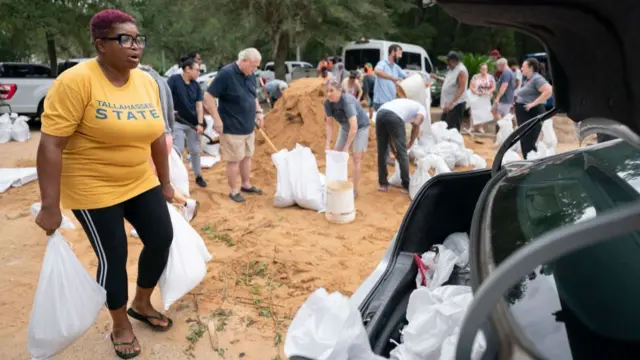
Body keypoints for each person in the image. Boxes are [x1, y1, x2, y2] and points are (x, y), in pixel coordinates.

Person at [35, 9, 173, 359]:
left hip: (139, 180)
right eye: (124, 39)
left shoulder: (146, 82)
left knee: (161, 238)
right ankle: (120, 324)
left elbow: (157, 135)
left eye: (138, 39)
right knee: (113, 255)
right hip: (93, 186)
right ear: (100, 45)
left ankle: (141, 303)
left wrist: (165, 182)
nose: (135, 47)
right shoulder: (76, 82)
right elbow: (51, 143)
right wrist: (50, 205)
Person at [139, 64, 199, 221]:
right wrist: (169, 133)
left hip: (152, 138)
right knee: (157, 181)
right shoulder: (159, 79)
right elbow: (170, 112)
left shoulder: (139, 81)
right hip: (165, 136)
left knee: (149, 184)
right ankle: (182, 205)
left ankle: (179, 206)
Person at [204, 48, 264, 203]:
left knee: (247, 157)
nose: (254, 70)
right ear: (243, 61)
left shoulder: (250, 75)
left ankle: (246, 184)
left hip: (248, 126)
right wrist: (217, 120)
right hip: (232, 127)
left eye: (256, 67)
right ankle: (234, 190)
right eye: (253, 66)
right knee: (234, 160)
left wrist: (258, 112)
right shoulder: (226, 74)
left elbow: (253, 95)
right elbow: (208, 97)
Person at [324, 79, 370, 198]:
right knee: (337, 154)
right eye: (327, 91)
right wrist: (327, 143)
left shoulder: (347, 102)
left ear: (339, 90)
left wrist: (347, 147)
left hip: (361, 127)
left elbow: (354, 127)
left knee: (356, 158)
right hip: (345, 127)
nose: (329, 94)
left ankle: (354, 190)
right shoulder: (327, 103)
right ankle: (336, 183)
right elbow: (329, 124)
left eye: (331, 91)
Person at [167, 56, 207, 188]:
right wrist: (170, 110)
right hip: (177, 121)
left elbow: (199, 105)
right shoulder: (174, 80)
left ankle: (198, 175)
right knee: (178, 149)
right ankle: (176, 178)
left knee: (195, 150)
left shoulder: (196, 86)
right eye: (197, 70)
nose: (199, 73)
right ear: (187, 69)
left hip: (192, 123)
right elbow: (165, 96)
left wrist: (200, 123)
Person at [375, 98, 427, 194]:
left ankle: (383, 184)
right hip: (394, 116)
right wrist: (411, 142)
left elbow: (390, 136)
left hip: (380, 113)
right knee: (403, 153)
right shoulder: (422, 109)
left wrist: (394, 151)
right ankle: (406, 185)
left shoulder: (405, 106)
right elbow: (416, 124)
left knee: (381, 151)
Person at [374, 44, 406, 164]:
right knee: (387, 131)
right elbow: (377, 71)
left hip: (390, 103)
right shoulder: (383, 63)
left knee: (389, 130)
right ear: (392, 52)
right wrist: (393, 78)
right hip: (381, 102)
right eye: (399, 52)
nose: (400, 55)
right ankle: (386, 157)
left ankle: (388, 156)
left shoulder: (396, 67)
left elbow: (405, 77)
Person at [514, 57, 553, 158]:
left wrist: (533, 103)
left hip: (532, 113)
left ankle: (532, 164)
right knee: (525, 141)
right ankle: (529, 163)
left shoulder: (537, 78)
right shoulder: (528, 79)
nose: (521, 68)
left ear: (530, 68)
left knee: (529, 142)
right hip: (524, 113)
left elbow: (549, 91)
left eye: (523, 66)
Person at [431, 51, 468, 130]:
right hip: (449, 104)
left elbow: (461, 89)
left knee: (452, 127)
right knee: (444, 125)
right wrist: (437, 78)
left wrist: (451, 102)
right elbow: (449, 82)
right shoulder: (452, 69)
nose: (447, 63)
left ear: (453, 61)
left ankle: (453, 141)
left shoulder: (461, 71)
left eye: (448, 61)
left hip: (456, 104)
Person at [468, 62, 496, 133]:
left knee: (483, 112)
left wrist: (489, 92)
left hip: (486, 97)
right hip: (476, 96)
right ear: (480, 69)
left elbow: (493, 87)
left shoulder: (490, 77)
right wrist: (476, 92)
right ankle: (472, 127)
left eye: (486, 69)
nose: (484, 70)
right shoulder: (475, 76)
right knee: (473, 111)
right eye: (483, 69)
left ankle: (480, 127)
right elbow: (471, 86)